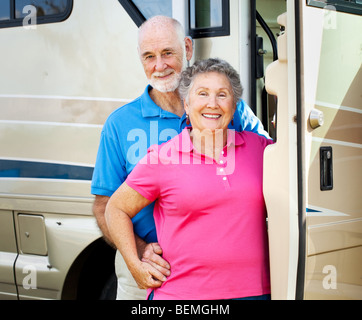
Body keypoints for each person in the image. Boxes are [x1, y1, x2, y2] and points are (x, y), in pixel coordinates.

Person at [91, 16, 270, 300]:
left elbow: (270, 162)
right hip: (148, 263)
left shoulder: (232, 112)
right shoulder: (120, 123)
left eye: (167, 53)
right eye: (149, 57)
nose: (159, 65)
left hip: (227, 278)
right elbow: (106, 206)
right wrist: (137, 251)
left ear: (187, 49)